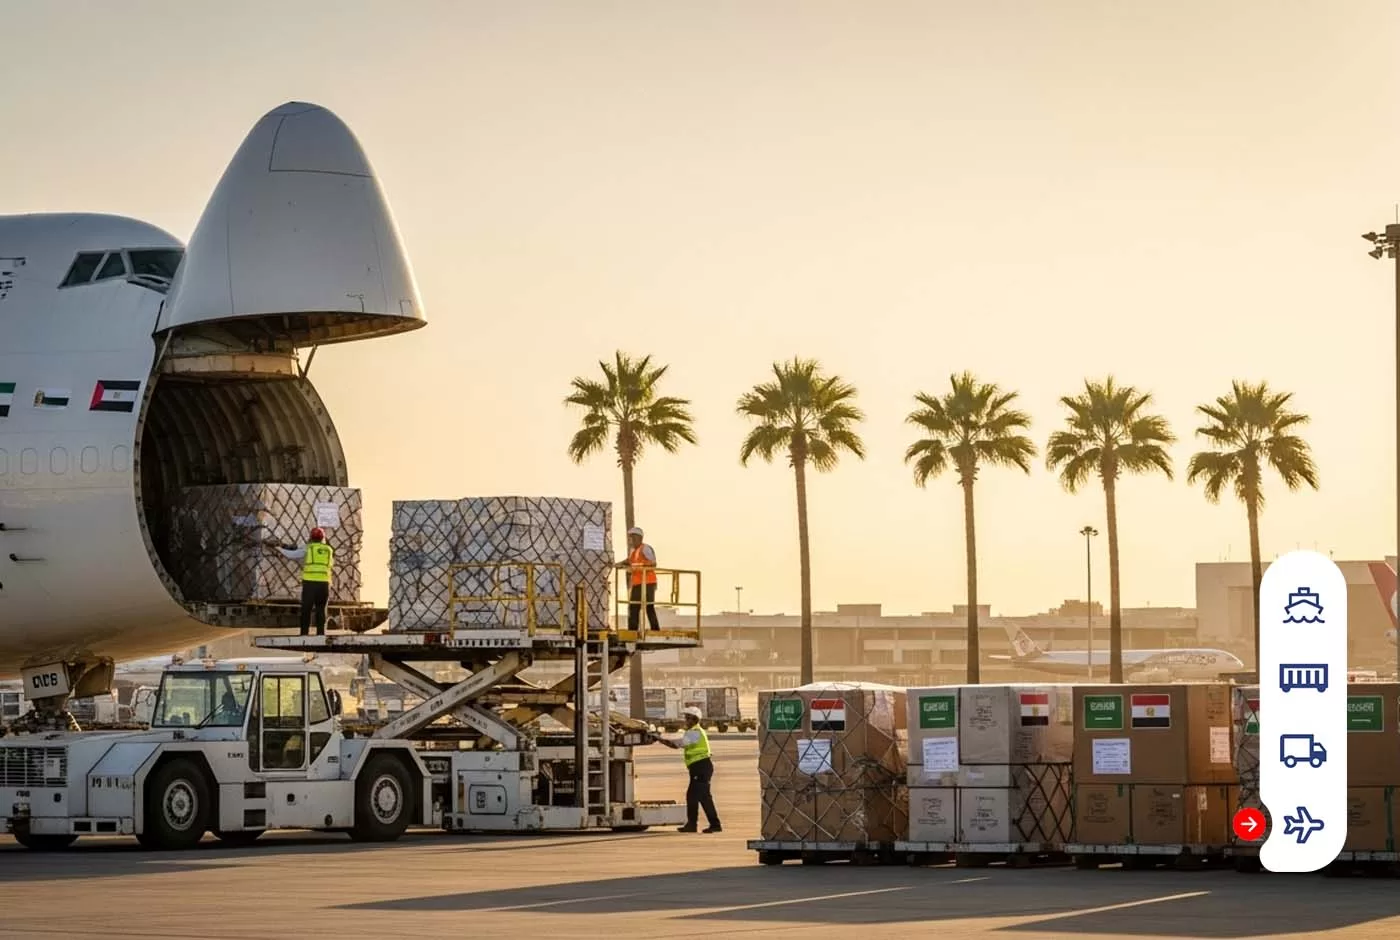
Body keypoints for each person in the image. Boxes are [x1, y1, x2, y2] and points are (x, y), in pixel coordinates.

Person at [658, 706, 721, 833]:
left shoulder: (695, 732)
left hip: (701, 767)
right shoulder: (694, 731)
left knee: (695, 796)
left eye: (688, 718)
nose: (685, 720)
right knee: (700, 797)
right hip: (699, 767)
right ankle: (704, 825)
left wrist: (659, 739)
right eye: (686, 717)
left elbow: (677, 744)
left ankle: (702, 824)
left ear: (695, 719)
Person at [266, 527, 334, 636]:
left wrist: (279, 548)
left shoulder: (308, 548)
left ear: (311, 537)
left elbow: (291, 555)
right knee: (321, 610)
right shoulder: (329, 550)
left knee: (306, 609)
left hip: (310, 584)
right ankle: (321, 635)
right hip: (324, 584)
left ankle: (304, 634)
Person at [614, 526, 660, 632]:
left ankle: (655, 630)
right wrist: (617, 564)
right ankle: (633, 631)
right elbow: (629, 561)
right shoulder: (634, 551)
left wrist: (639, 566)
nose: (631, 540)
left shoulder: (645, 548)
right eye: (630, 538)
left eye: (632, 537)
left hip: (648, 582)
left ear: (639, 538)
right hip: (638, 583)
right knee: (634, 607)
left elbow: (653, 564)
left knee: (649, 607)